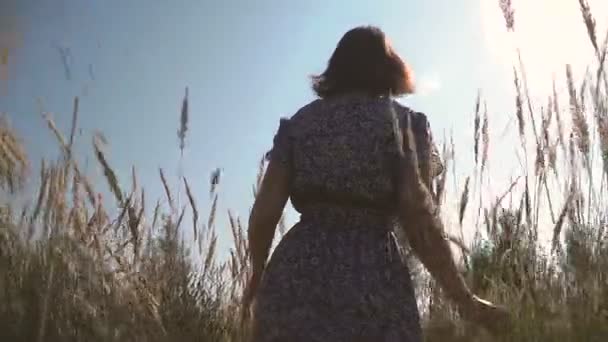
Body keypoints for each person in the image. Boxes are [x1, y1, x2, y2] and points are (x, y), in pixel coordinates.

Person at [242, 25, 509, 342]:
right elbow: (418, 216)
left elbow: (264, 214)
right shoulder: (405, 125)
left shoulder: (299, 124)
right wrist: (464, 299)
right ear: (389, 67)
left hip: (294, 277)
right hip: (372, 282)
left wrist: (257, 274)